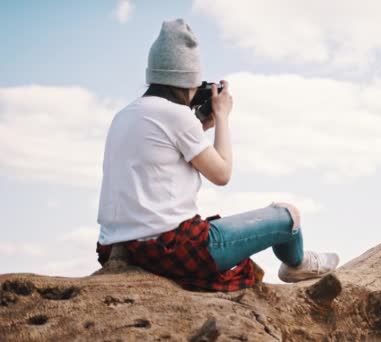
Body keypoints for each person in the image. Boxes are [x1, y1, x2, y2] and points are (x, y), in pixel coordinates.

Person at [95, 18, 339, 291]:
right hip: (172, 250)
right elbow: (222, 174)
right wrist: (222, 117)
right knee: (287, 215)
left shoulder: (124, 115)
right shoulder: (176, 115)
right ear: (189, 80)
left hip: (117, 247)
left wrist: (201, 127)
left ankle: (296, 262)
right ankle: (297, 264)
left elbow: (162, 155)